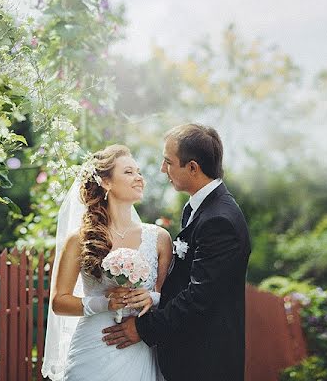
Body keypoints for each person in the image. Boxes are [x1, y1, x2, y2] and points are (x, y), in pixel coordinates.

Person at [102, 124, 251, 381]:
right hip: (191, 357)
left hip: (206, 363)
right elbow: (188, 280)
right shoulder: (199, 209)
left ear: (193, 167)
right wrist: (155, 299)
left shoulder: (219, 220)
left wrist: (142, 328)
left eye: (168, 162)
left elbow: (199, 297)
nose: (162, 170)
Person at [41, 144, 173, 381]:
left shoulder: (159, 239)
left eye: (139, 172)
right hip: (93, 346)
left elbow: (168, 298)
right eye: (129, 172)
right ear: (106, 183)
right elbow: (59, 302)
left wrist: (151, 298)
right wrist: (104, 303)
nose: (139, 178)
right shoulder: (80, 239)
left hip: (137, 346)